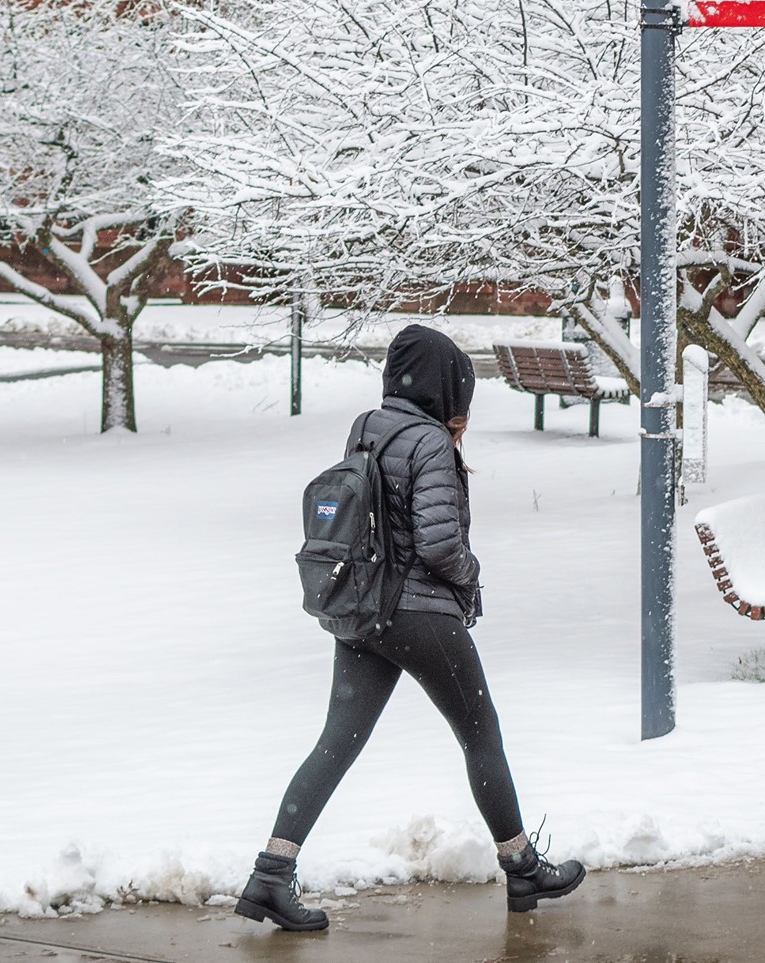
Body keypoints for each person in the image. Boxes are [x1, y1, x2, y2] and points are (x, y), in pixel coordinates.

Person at [236, 324, 585, 931]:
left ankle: (270, 874)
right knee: (481, 734)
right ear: (446, 388)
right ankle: (522, 868)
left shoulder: (366, 427)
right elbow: (439, 543)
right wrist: (471, 573)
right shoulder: (430, 442)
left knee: (336, 741)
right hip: (418, 614)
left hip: (362, 612)